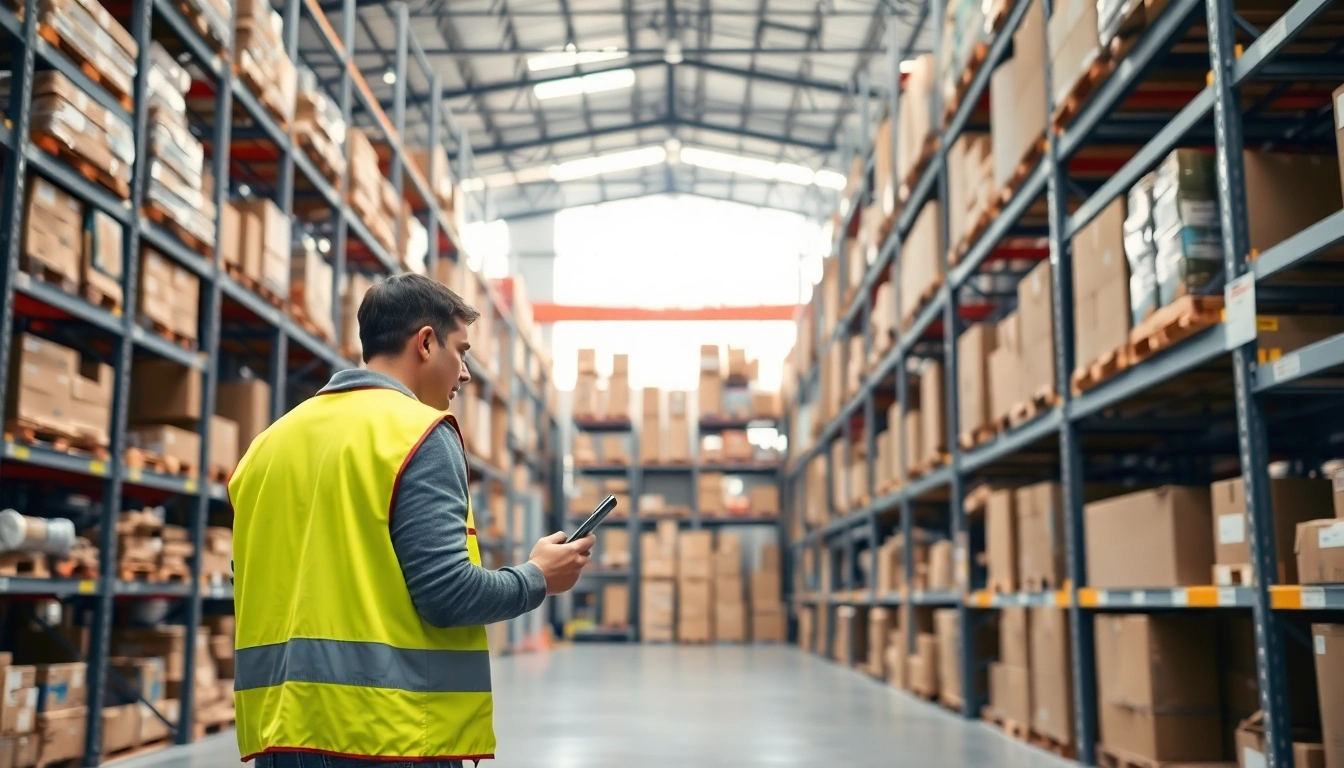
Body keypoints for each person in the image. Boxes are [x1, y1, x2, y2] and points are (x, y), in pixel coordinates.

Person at [228, 273, 594, 768]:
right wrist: (538, 577)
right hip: (386, 736)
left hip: (283, 735)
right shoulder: (417, 434)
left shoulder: (268, 446)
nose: (464, 373)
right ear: (425, 342)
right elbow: (448, 594)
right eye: (461, 351)